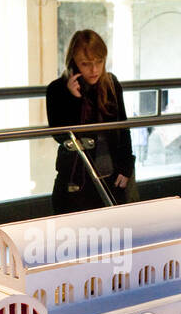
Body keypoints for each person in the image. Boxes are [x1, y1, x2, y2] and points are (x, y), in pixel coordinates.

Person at [45, 30, 135, 213]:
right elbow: (60, 136)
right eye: (86, 64)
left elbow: (123, 128)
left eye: (99, 62)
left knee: (112, 233)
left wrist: (126, 167)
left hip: (110, 174)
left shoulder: (110, 84)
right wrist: (73, 100)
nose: (94, 70)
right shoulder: (57, 89)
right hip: (74, 177)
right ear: (74, 63)